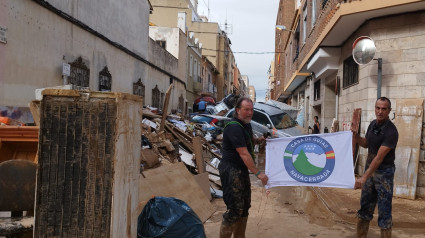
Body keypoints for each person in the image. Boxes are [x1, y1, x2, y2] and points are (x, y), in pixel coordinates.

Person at [218, 97, 268, 238]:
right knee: (235, 209)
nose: (250, 113)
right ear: (238, 110)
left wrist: (259, 140)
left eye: (251, 110)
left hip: (241, 171)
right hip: (231, 170)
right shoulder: (233, 127)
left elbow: (249, 141)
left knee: (244, 207)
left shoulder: (246, 125)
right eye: (246, 109)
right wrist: (258, 173)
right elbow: (244, 153)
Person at [352, 97, 398, 238]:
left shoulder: (391, 131)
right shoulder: (372, 125)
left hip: (384, 174)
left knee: (384, 212)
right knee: (365, 207)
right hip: (370, 170)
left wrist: (363, 177)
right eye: (378, 108)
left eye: (384, 109)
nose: (380, 111)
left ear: (389, 111)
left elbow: (379, 158)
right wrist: (356, 136)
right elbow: (366, 144)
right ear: (375, 108)